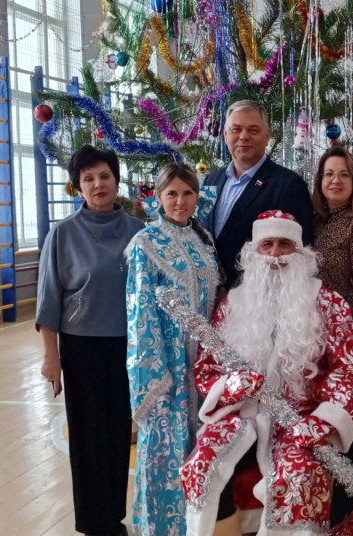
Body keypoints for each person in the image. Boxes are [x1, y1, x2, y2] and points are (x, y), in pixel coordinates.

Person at [179, 210, 353, 536]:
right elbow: (208, 367)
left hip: (301, 419)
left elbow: (347, 371)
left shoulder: (329, 303)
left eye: (284, 244)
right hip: (242, 416)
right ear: (254, 251)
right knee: (203, 464)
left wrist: (321, 422)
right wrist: (234, 384)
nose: (276, 254)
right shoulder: (233, 303)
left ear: (300, 252)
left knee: (297, 475)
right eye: (267, 244)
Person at [36, 145, 145, 536]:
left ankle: (113, 517)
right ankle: (93, 524)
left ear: (116, 180)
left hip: (128, 348)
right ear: (78, 187)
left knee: (118, 433)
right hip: (81, 348)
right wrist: (51, 358)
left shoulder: (139, 232)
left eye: (104, 176)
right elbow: (49, 300)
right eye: (88, 179)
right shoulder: (63, 234)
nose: (98, 184)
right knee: (86, 436)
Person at [126, 163, 223, 536]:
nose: (180, 201)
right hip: (166, 367)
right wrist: (154, 373)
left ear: (197, 196)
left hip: (203, 365)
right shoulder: (146, 242)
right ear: (158, 197)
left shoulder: (203, 240)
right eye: (172, 194)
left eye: (187, 193)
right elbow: (139, 312)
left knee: (199, 450)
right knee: (165, 451)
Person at [311, 146, 353, 525]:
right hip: (310, 346)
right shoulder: (314, 224)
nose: (335, 180)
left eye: (343, 174)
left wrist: (336, 339)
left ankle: (343, 516)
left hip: (346, 349)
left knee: (346, 431)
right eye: (328, 174)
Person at [202, 99, 313, 286]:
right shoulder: (210, 181)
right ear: (225, 134)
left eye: (253, 130)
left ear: (267, 136)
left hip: (256, 296)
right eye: (236, 129)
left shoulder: (288, 185)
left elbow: (300, 253)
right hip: (208, 294)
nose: (243, 136)